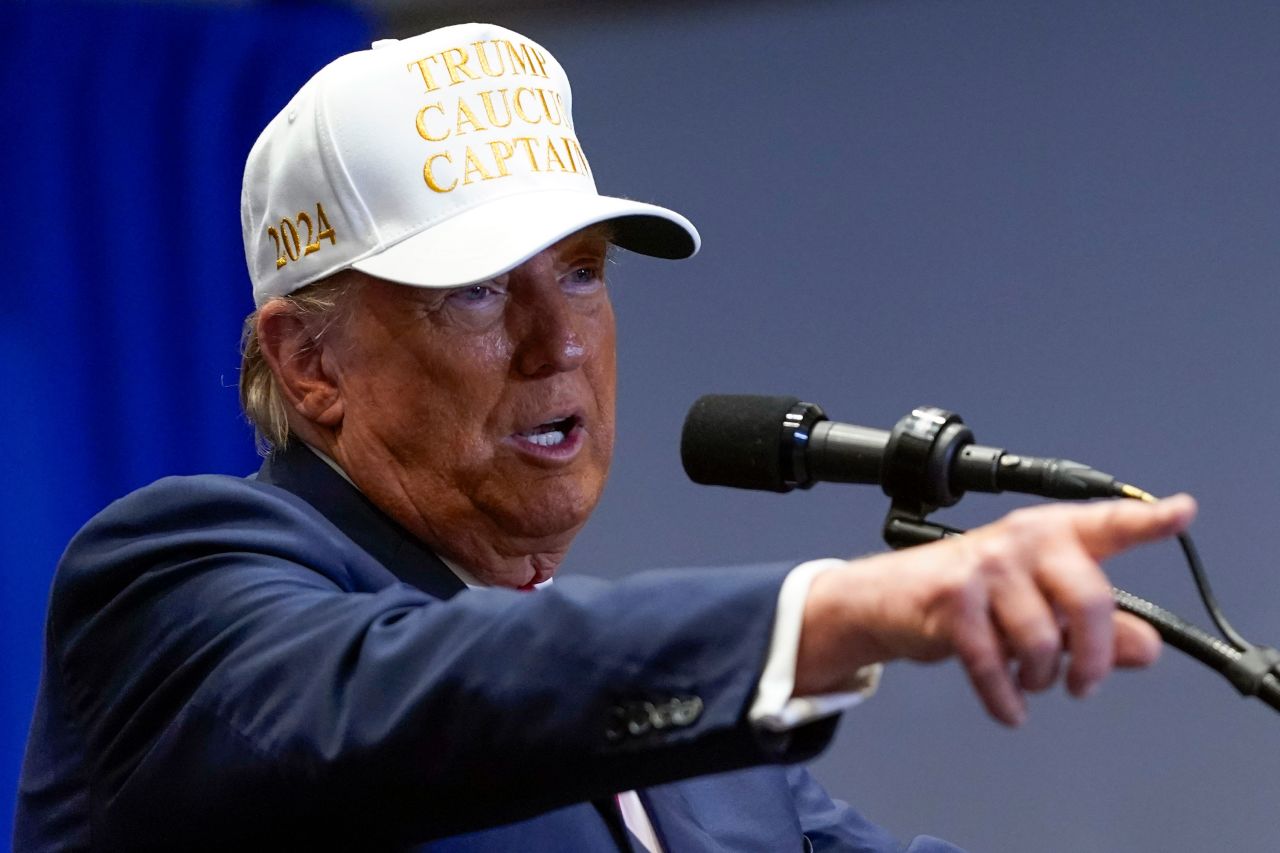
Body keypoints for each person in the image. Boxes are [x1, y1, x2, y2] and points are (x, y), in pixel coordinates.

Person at [14, 22, 1194, 852]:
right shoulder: (175, 581)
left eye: (580, 274)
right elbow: (411, 692)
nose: (555, 343)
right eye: (474, 290)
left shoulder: (703, 754)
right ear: (311, 362)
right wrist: (834, 610)